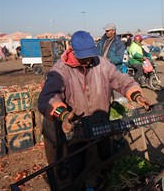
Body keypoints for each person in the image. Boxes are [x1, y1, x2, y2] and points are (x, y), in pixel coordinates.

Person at [38, 31, 151, 189]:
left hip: (101, 122)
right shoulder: (60, 70)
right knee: (77, 168)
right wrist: (63, 114)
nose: (88, 59)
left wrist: (136, 95)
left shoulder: (102, 64)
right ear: (72, 50)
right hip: (75, 127)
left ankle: (106, 184)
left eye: (90, 54)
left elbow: (119, 79)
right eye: (83, 56)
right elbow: (47, 98)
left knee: (106, 161)